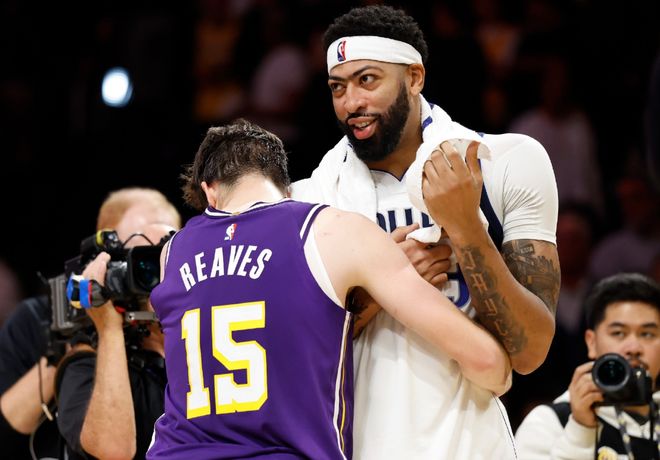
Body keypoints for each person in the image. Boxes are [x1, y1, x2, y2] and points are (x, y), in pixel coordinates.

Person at [146, 119, 511, 459]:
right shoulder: (330, 229)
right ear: (286, 186)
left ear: (209, 192)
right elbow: (488, 362)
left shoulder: (171, 255)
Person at [290, 5, 559, 459]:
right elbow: (288, 356)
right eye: (338, 87)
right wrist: (386, 284)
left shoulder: (504, 162)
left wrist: (467, 227)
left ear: (414, 78)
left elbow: (529, 352)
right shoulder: (306, 200)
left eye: (367, 80)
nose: (351, 103)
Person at [0, 187, 180, 460]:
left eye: (165, 252)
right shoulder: (41, 321)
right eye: (140, 255)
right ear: (104, 258)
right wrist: (98, 325)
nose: (154, 269)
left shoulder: (193, 325)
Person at [54, 187, 181, 460]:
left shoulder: (202, 345)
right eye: (147, 262)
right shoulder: (85, 362)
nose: (165, 277)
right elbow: (113, 450)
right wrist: (108, 327)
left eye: (173, 260)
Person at [515, 273, 660, 459]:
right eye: (618, 333)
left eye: (647, 334)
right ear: (591, 342)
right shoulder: (548, 422)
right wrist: (580, 428)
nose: (633, 348)